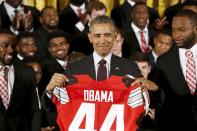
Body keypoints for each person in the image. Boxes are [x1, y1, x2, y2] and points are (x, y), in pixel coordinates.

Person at [154, 9, 197, 130]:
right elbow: (160, 101)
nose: (176, 35)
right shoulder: (163, 61)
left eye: (182, 30)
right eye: (173, 30)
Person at [0, 29, 41, 131]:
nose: (11, 50)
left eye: (13, 46)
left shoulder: (27, 71)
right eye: (5, 45)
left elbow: (35, 109)